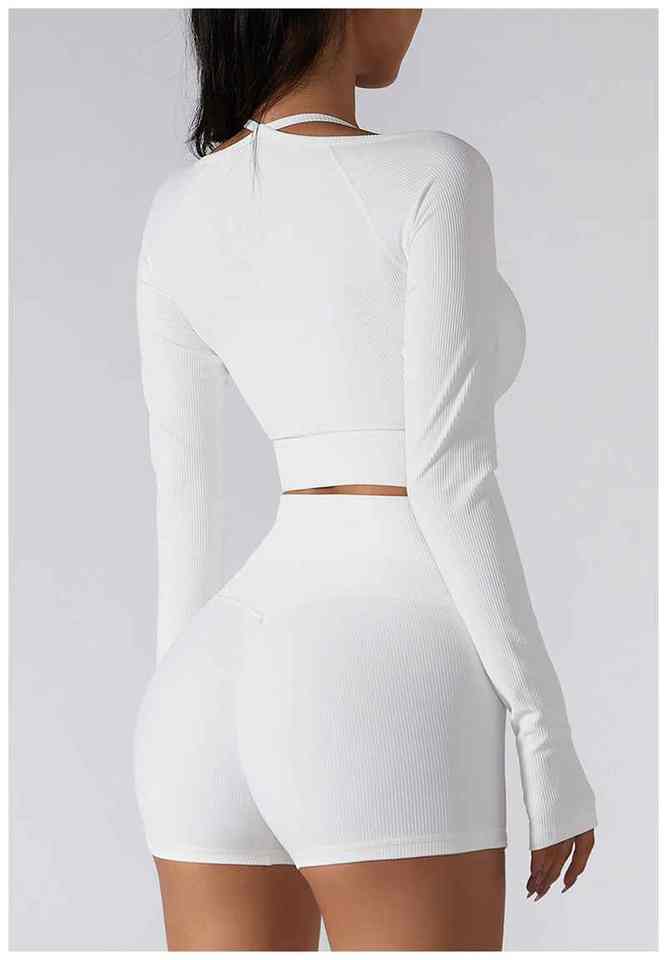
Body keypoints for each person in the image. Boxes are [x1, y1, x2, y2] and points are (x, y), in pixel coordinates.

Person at [133, 9, 597, 950]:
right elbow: (448, 471)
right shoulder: (434, 172)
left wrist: (181, 728)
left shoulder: (178, 209)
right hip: (382, 661)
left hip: (202, 680)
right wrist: (543, 736)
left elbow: (181, 501)